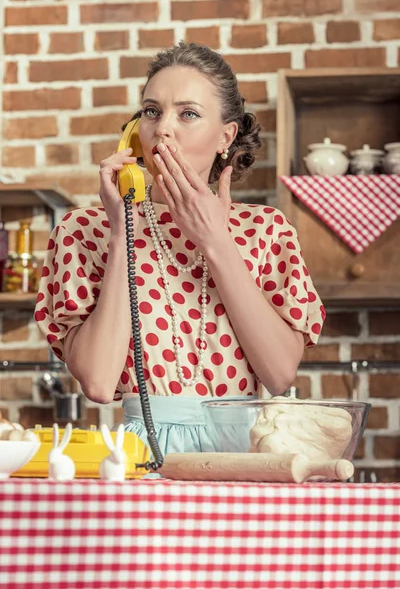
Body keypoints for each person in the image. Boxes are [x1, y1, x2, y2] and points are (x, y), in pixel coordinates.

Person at [35, 41, 326, 456]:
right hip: (142, 456)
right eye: (152, 111)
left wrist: (216, 241)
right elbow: (98, 383)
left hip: (243, 456)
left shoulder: (266, 229)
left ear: (226, 135)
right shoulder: (86, 229)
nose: (163, 128)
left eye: (187, 113)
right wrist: (123, 234)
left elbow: (279, 375)